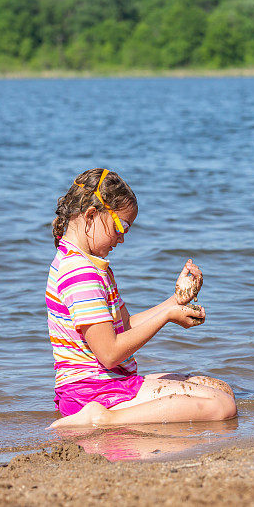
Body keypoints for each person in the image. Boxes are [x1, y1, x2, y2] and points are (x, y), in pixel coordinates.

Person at [45, 168, 236, 429]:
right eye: (120, 227)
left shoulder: (90, 265)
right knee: (222, 406)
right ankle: (102, 419)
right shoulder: (80, 273)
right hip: (93, 392)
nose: (122, 238)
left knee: (218, 388)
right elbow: (110, 353)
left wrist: (175, 301)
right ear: (91, 215)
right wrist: (167, 318)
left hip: (107, 382)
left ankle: (108, 415)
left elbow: (125, 327)